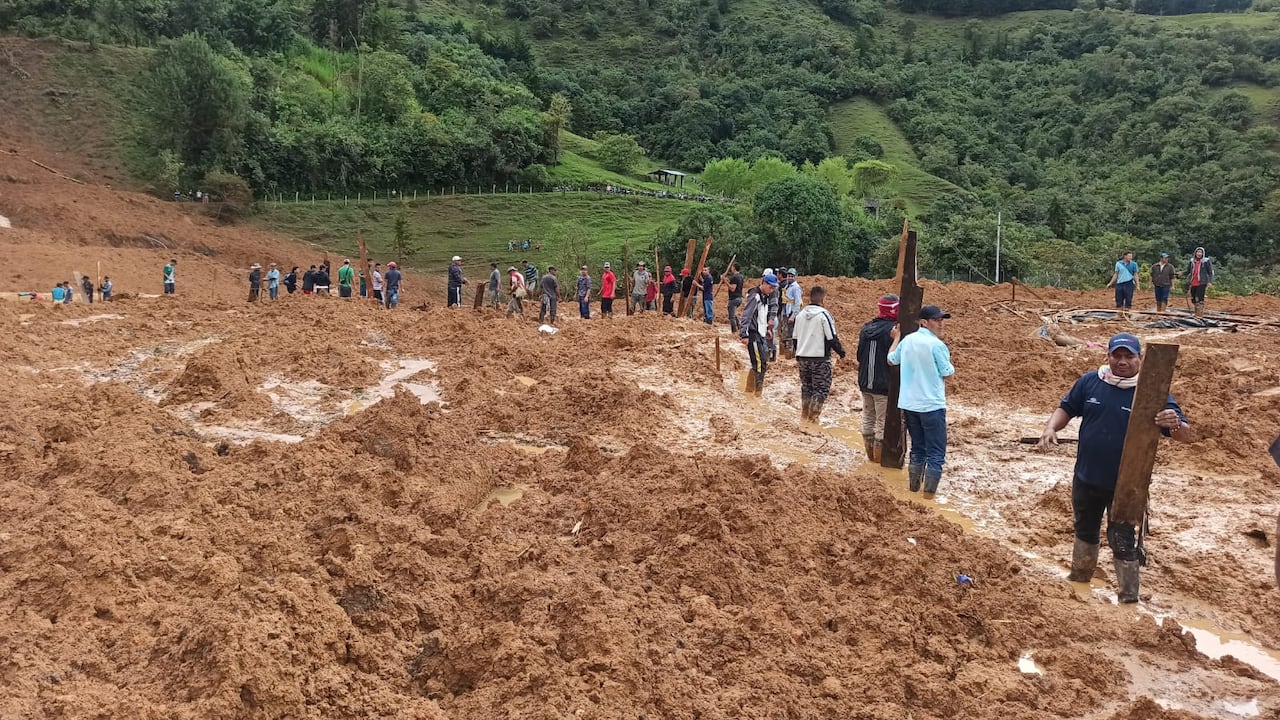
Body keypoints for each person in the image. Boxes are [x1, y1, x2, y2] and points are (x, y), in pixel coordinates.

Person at [1036, 333, 1195, 603]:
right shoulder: (1091, 382)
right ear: (1108, 356)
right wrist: (1050, 428)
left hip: (1126, 486)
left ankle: (1128, 598)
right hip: (1086, 477)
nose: (1122, 361)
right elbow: (1066, 408)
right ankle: (1079, 580)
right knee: (1084, 530)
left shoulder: (1152, 393)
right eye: (1116, 355)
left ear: (1139, 359)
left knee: (1122, 541)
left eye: (1128, 356)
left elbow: (1186, 436)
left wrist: (1175, 423)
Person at [887, 305, 956, 495]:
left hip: (910, 404)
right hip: (931, 405)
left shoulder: (908, 340)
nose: (941, 324)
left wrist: (896, 338)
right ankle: (928, 496)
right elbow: (948, 374)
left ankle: (913, 490)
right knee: (936, 453)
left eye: (942, 320)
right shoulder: (937, 345)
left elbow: (891, 359)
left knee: (918, 448)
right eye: (937, 320)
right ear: (924, 322)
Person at [793, 286, 847, 423]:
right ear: (823, 299)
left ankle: (804, 415)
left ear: (810, 298)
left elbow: (795, 338)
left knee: (806, 387)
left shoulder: (800, 315)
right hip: (820, 359)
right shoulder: (824, 315)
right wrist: (841, 353)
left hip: (803, 358)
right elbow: (831, 338)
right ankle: (813, 418)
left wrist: (798, 354)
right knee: (821, 389)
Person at [856, 294, 899, 462]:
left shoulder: (866, 328)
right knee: (882, 422)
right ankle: (878, 460)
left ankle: (870, 457)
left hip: (865, 382)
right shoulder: (894, 331)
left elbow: (859, 356)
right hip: (883, 384)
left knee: (868, 418)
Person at [739, 273, 778, 396]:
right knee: (760, 364)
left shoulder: (764, 296)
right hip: (753, 334)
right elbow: (747, 315)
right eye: (770, 287)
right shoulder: (755, 296)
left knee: (762, 362)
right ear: (764, 283)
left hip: (760, 333)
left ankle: (750, 390)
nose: (771, 290)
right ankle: (756, 395)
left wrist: (767, 329)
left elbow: (761, 316)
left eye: (773, 288)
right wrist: (744, 334)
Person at [1186, 246, 1213, 318]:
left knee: (1200, 299)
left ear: (1203, 253)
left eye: (1200, 252)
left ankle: (1199, 315)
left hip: (1202, 282)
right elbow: (1188, 271)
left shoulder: (1206, 261)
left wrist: (1210, 281)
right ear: (1195, 253)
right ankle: (1196, 313)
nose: (1199, 254)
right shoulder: (1192, 261)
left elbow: (1210, 272)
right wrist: (1182, 273)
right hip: (1193, 282)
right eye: (1198, 252)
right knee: (1193, 299)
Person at [781, 268, 803, 354]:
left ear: (795, 277)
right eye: (788, 276)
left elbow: (798, 303)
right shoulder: (787, 286)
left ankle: (791, 352)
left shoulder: (796, 288)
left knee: (791, 333)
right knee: (785, 332)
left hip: (792, 313)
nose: (790, 278)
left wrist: (793, 316)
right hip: (786, 312)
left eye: (792, 276)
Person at [726, 263, 744, 332]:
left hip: (734, 298)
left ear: (734, 268)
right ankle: (739, 325)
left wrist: (725, 281)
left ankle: (734, 331)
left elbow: (732, 289)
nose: (731, 269)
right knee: (732, 313)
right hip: (739, 298)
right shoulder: (740, 277)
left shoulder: (734, 277)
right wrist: (728, 281)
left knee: (731, 316)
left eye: (732, 267)